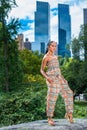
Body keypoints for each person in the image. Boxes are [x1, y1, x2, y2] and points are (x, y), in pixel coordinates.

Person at [40, 41, 74, 126]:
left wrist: (63, 78)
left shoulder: (55, 56)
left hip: (59, 78)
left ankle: (69, 113)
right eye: (52, 46)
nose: (54, 48)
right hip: (51, 79)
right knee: (52, 98)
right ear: (48, 46)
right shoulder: (46, 57)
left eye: (55, 46)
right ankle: (49, 118)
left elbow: (58, 69)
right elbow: (41, 70)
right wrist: (47, 78)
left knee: (69, 93)